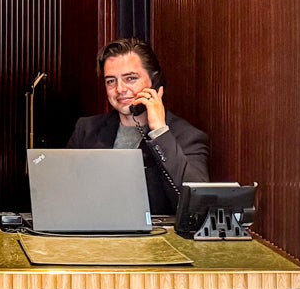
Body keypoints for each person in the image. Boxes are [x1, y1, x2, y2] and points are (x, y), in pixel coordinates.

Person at [67, 38, 209, 214]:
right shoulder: (86, 130)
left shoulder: (187, 137)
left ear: (155, 82)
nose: (120, 89)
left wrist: (160, 132)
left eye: (130, 78)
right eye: (111, 81)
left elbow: (199, 203)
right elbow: (66, 193)